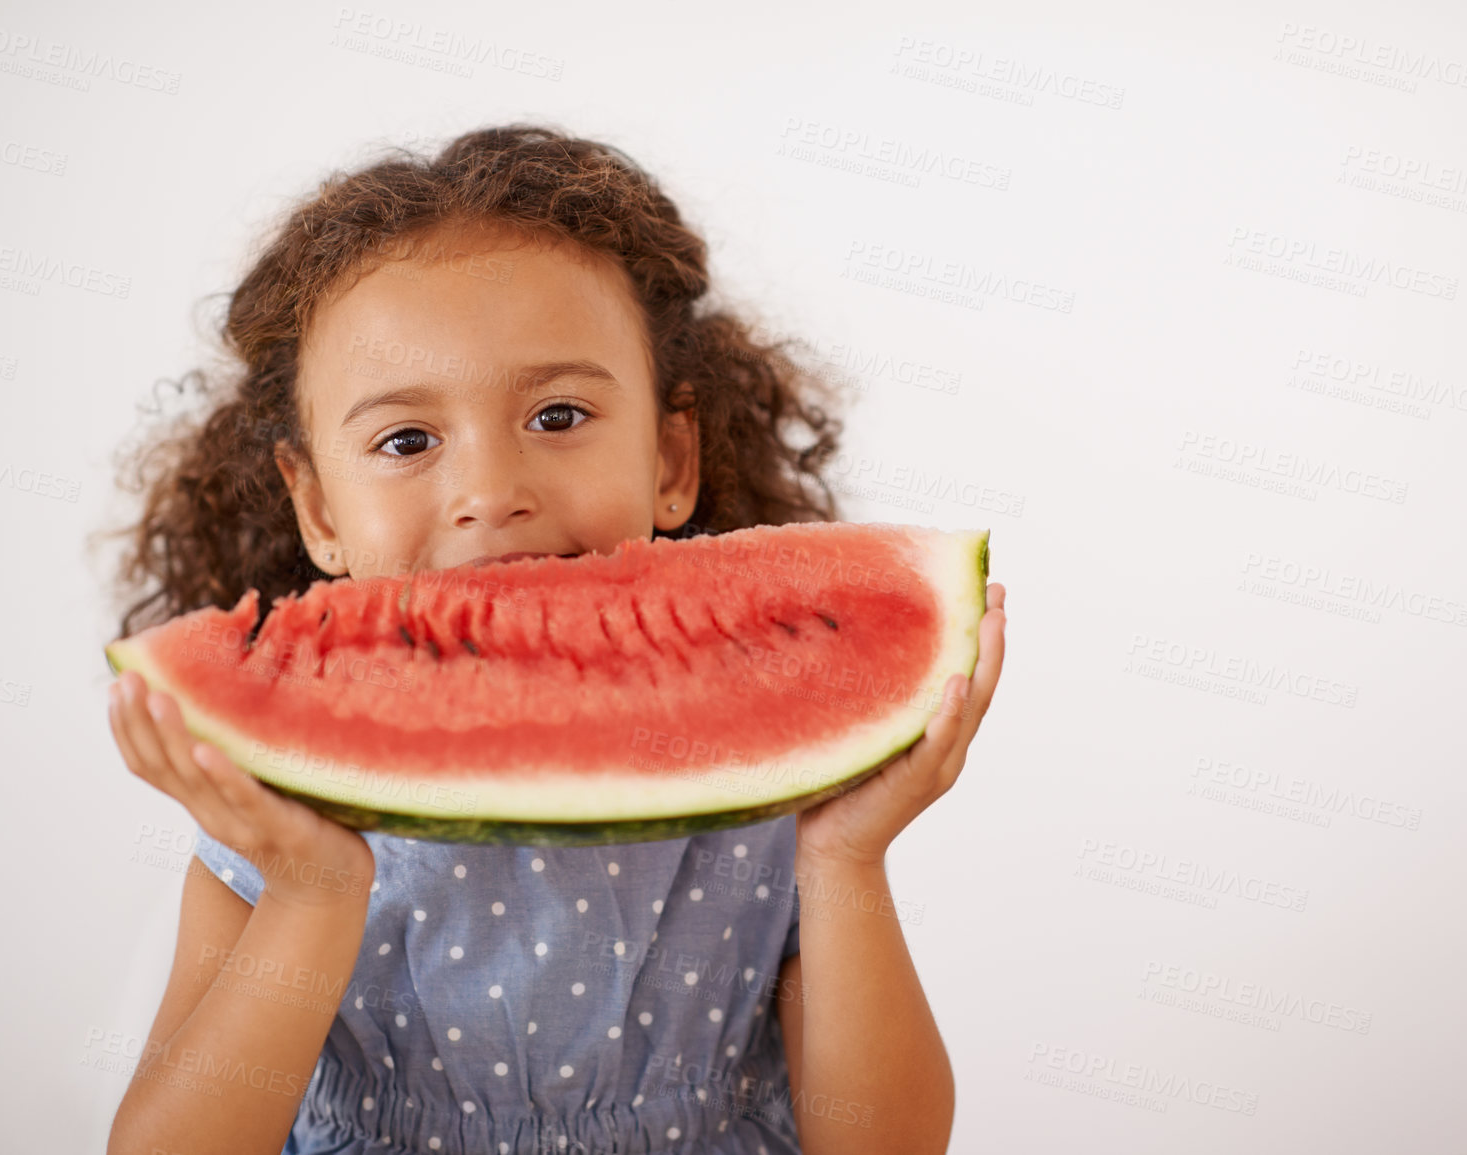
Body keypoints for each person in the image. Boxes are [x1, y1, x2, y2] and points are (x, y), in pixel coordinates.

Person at [100, 123, 1008, 1155]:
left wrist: (847, 856)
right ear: (317, 512)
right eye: (406, 441)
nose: (491, 494)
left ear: (672, 458)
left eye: (560, 415)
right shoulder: (272, 822)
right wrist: (315, 890)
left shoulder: (774, 819)